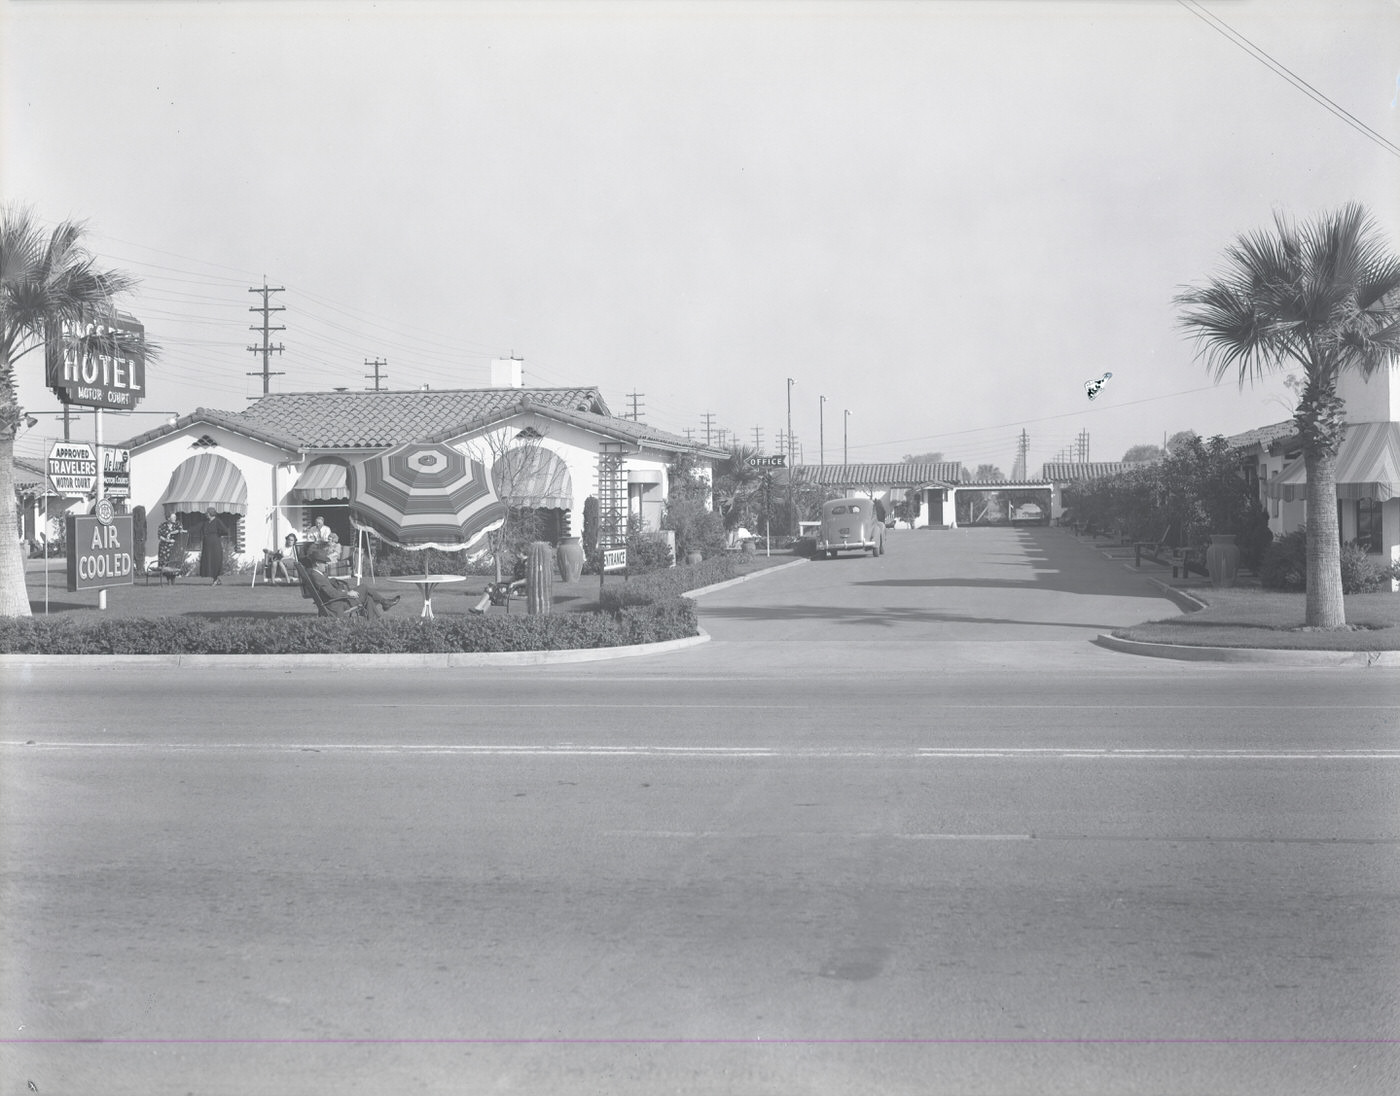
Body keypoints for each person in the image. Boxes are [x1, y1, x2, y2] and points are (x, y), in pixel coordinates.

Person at [305, 545, 399, 617]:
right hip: (337, 606)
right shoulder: (316, 576)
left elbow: (328, 587)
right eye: (324, 563)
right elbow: (332, 594)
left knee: (368, 597)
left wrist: (336, 583)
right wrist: (348, 593)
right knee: (364, 587)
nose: (326, 565)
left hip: (335, 602)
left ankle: (375, 620)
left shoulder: (316, 574)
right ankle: (384, 604)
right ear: (317, 563)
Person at [199, 507, 228, 585]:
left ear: (211, 513)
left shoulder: (217, 521)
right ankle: (216, 579)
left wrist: (217, 534)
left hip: (215, 545)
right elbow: (197, 527)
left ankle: (215, 580)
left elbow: (226, 531)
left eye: (207, 513)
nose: (206, 515)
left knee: (215, 561)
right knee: (208, 562)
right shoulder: (206, 522)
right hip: (207, 545)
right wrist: (186, 531)